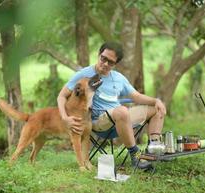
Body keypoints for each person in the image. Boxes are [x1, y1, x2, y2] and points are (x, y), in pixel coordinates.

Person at [57, 41, 166, 169]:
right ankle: (135, 156)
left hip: (121, 119)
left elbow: (136, 96)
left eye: (111, 62)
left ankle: (154, 148)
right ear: (99, 54)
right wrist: (65, 118)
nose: (105, 64)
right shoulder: (84, 75)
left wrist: (156, 101)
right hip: (100, 123)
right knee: (121, 111)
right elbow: (61, 96)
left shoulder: (119, 78)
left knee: (157, 109)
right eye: (103, 59)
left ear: (116, 64)